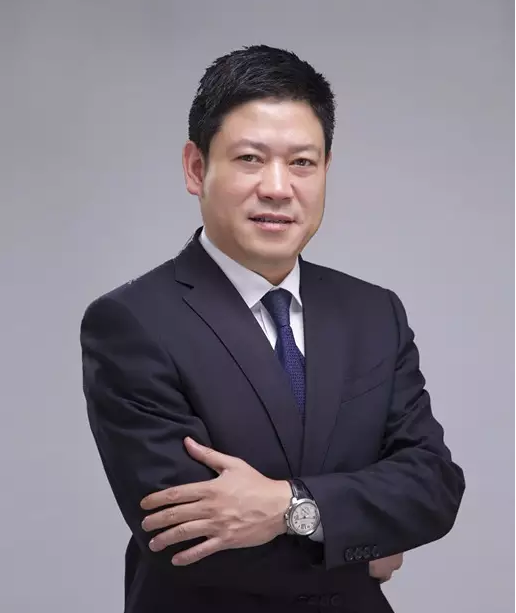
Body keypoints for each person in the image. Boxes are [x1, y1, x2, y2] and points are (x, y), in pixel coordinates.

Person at [80, 45, 465, 613]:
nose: (279, 188)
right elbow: (186, 539)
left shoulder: (373, 312)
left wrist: (289, 508)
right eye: (250, 159)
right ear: (196, 168)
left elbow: (433, 487)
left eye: (302, 163)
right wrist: (359, 541)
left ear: (326, 170)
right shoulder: (133, 322)